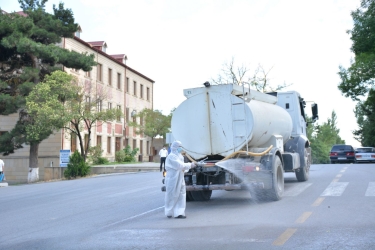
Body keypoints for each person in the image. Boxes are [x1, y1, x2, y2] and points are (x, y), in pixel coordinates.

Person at [164, 141, 196, 219]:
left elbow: (182, 167)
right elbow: (179, 165)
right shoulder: (171, 156)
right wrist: (190, 165)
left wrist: (187, 168)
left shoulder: (180, 156)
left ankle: (179, 213)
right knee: (172, 194)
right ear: (175, 147)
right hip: (172, 177)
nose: (180, 148)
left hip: (180, 176)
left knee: (181, 194)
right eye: (179, 147)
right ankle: (169, 212)